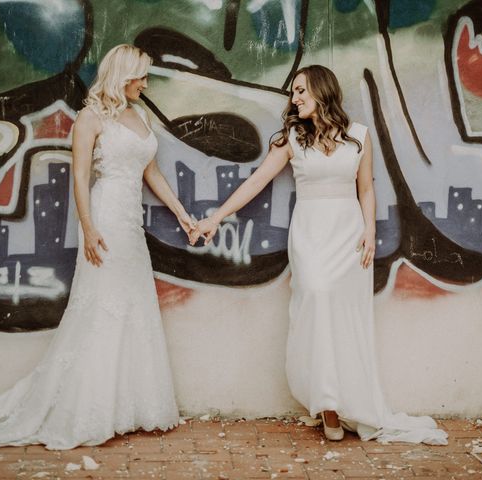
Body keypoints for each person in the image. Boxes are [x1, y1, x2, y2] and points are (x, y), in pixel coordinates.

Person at [0, 44, 194, 449]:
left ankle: (126, 406)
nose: (146, 83)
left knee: (131, 305)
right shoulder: (90, 118)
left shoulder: (141, 116)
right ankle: (89, 409)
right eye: (141, 76)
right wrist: (89, 228)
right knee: (100, 308)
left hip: (131, 224)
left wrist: (181, 212)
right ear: (123, 76)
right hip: (105, 219)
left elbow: (152, 173)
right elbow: (79, 179)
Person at [190, 65, 448, 445]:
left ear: (321, 91)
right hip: (310, 232)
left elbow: (366, 189)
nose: (294, 99)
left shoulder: (359, 136)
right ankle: (326, 403)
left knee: (345, 317)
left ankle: (346, 401)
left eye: (300, 91)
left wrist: (370, 231)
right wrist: (216, 217)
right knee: (316, 298)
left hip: (349, 234)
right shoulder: (292, 138)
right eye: (293, 93)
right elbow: (258, 181)